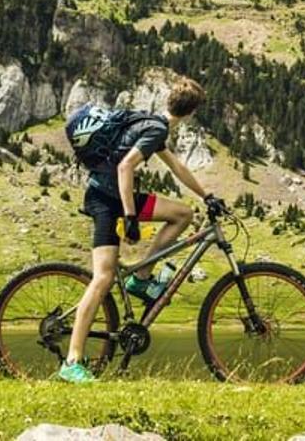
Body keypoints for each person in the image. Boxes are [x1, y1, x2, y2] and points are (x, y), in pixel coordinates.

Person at [58, 76, 226, 384]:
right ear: (190, 114)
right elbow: (125, 167)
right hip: (107, 201)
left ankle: (142, 278)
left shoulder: (151, 122)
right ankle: (72, 361)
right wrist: (132, 218)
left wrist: (206, 196)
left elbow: (177, 167)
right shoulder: (156, 128)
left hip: (113, 195)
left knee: (182, 213)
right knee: (103, 278)